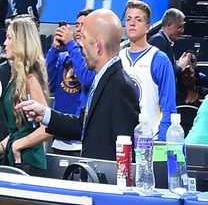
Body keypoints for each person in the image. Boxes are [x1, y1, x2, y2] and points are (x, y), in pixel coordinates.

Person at [19, 9, 140, 161]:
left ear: (97, 45)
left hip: (105, 182)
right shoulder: (102, 79)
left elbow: (125, 152)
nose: (79, 43)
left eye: (83, 37)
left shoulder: (120, 86)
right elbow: (82, 125)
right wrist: (45, 114)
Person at [120, 0, 177, 141]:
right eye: (128, 19)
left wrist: (162, 142)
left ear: (147, 27)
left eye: (138, 19)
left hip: (150, 140)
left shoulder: (159, 59)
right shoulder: (118, 57)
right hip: (122, 139)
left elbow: (168, 107)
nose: (132, 23)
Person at [1, 16, 51, 169]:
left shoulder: (31, 80)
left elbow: (49, 128)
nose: (4, 43)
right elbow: (20, 128)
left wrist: (18, 144)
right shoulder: (16, 78)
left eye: (9, 38)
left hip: (28, 162)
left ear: (21, 42)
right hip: (14, 158)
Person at [45, 10, 95, 151]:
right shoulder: (63, 57)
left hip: (81, 139)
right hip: (59, 136)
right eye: (77, 24)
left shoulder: (95, 60)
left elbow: (86, 79)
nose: (78, 28)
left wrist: (71, 44)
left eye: (83, 25)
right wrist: (54, 49)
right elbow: (47, 83)